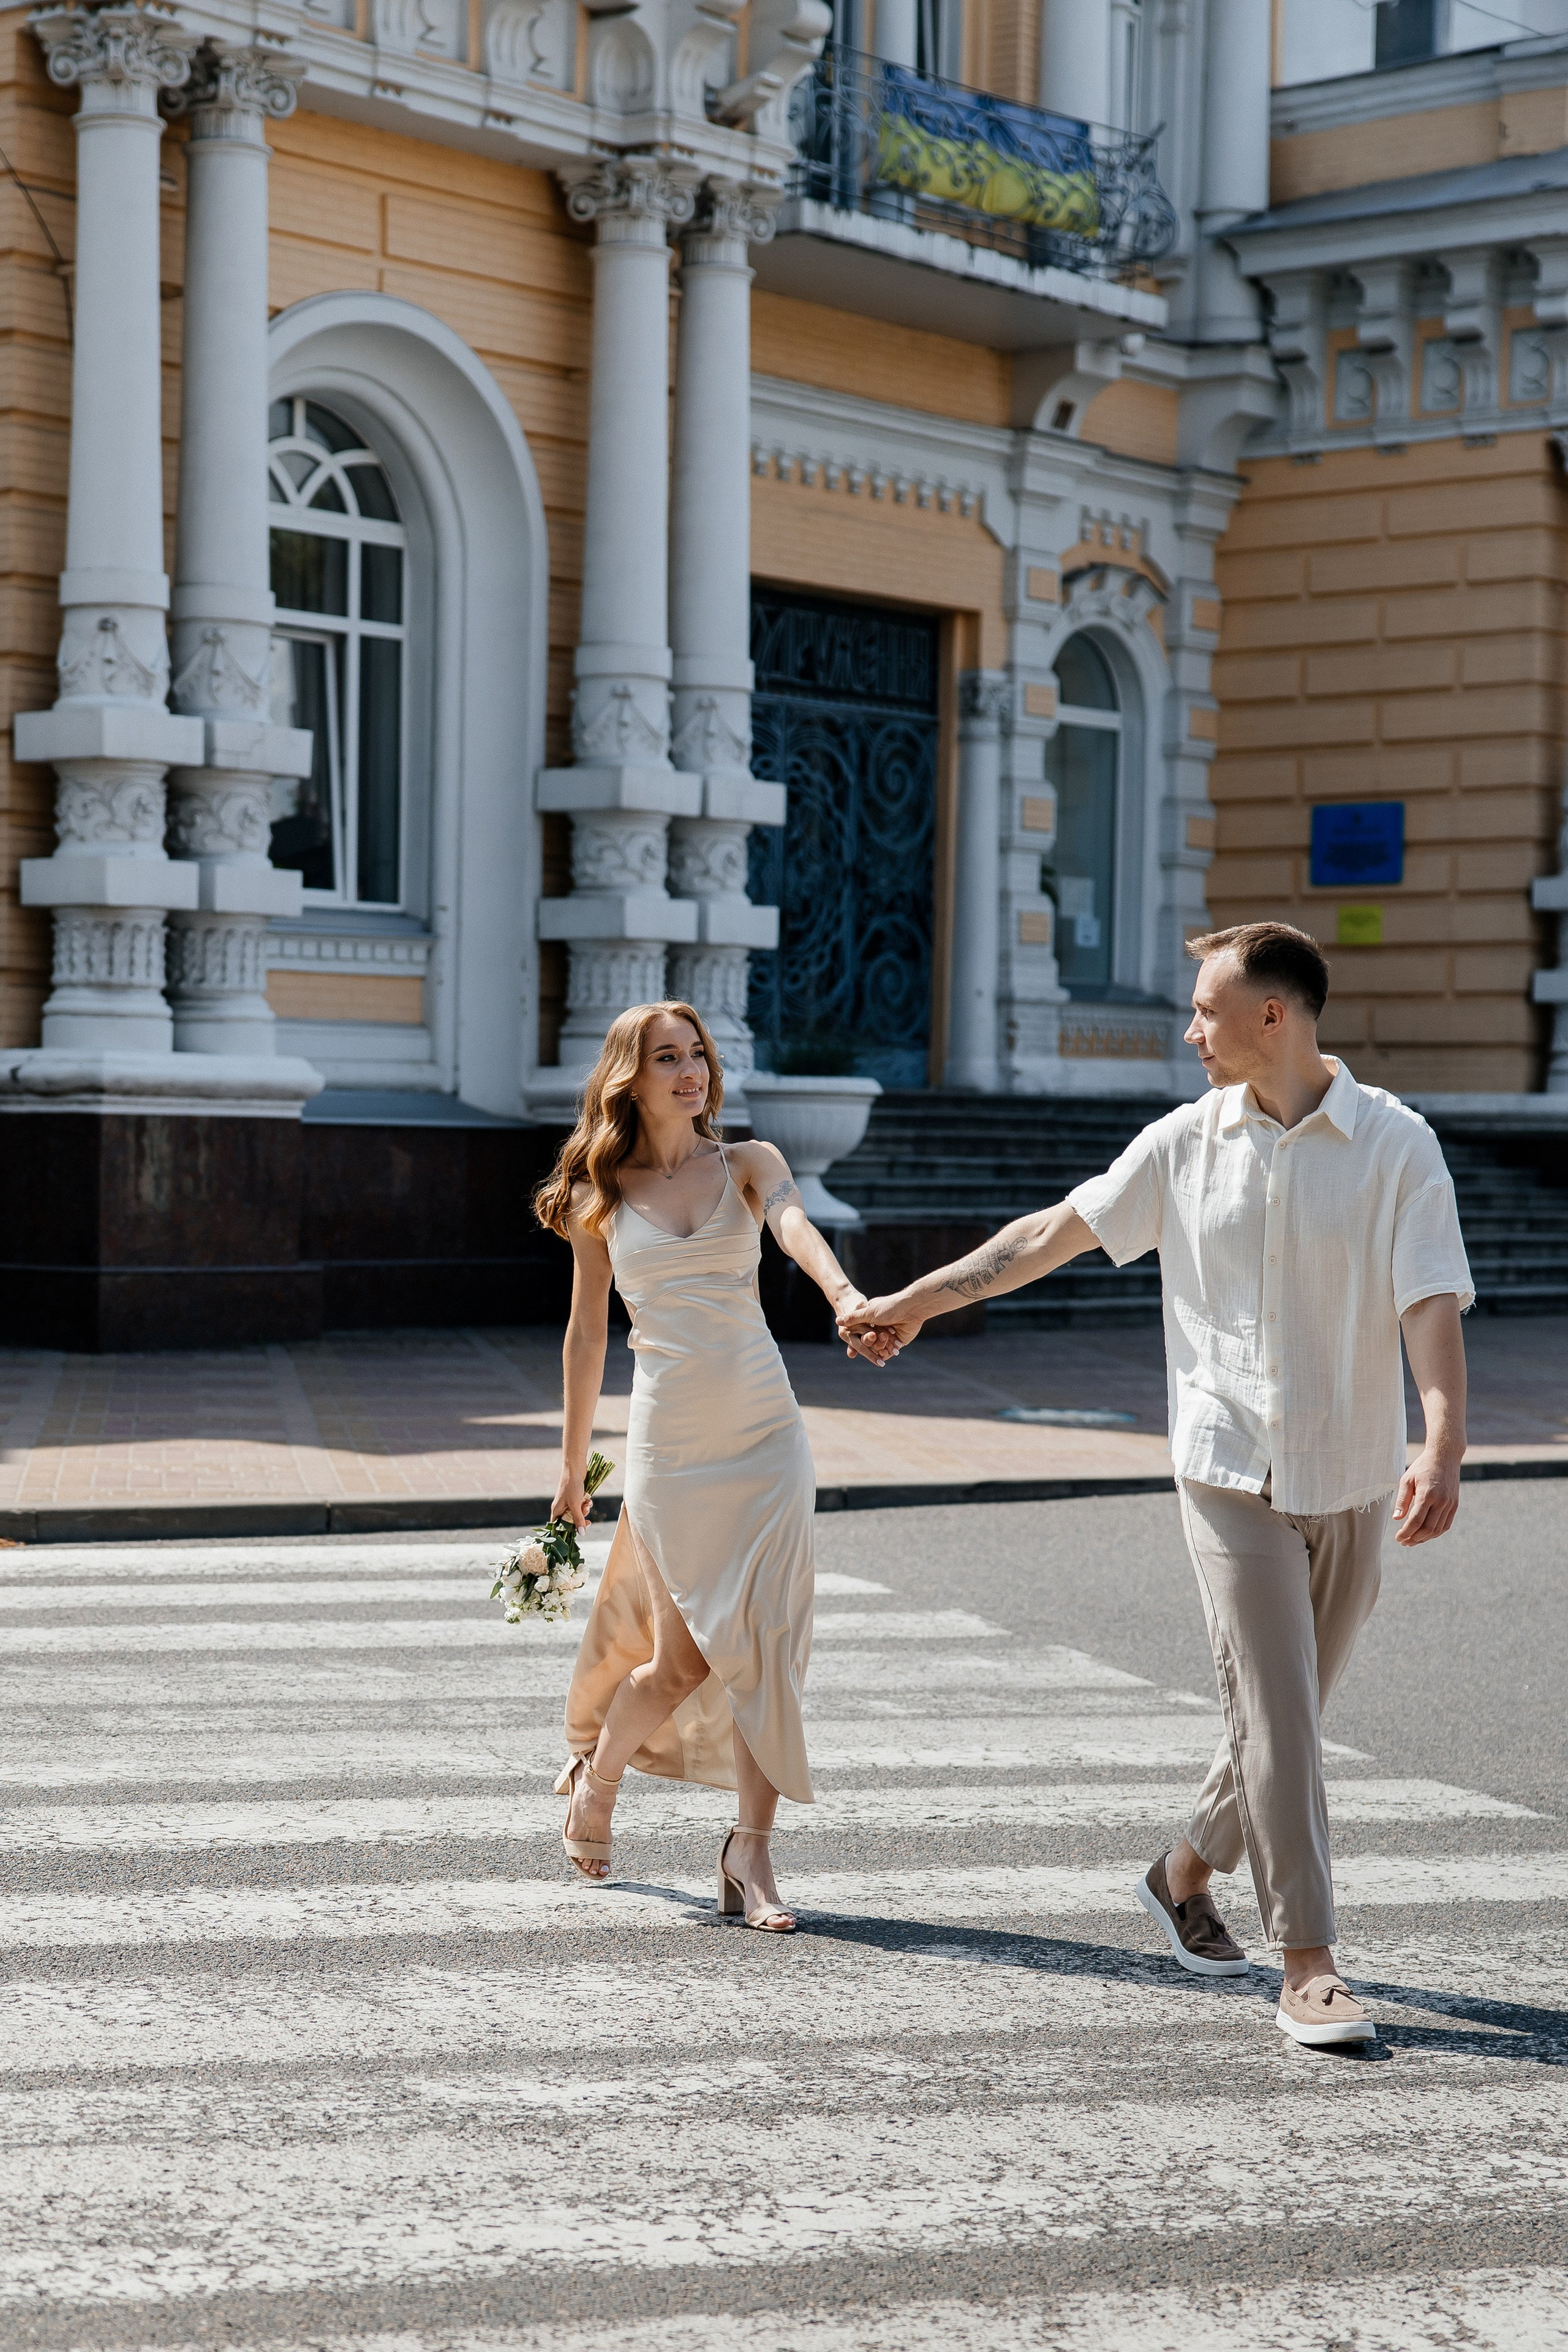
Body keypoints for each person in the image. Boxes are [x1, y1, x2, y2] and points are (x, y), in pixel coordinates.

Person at [839, 922, 1472, 2048]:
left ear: (1272, 1015)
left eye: (1205, 1010)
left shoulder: (1397, 1144)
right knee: (1279, 1714)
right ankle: (1310, 1965)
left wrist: (1443, 1442)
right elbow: (1049, 1235)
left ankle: (1180, 1873)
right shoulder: (1180, 1143)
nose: (1189, 1030)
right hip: (1227, 1466)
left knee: (1287, 1715)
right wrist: (913, 1302)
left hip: (1352, 1468)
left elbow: (1427, 1295)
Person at [535, 999, 886, 1933]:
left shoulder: (749, 1165)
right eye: (666, 1058)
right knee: (680, 1663)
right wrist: (572, 1473)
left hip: (766, 1430)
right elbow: (584, 1338)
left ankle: (752, 1852)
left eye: (698, 1055)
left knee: (768, 1644)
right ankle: (595, 1782)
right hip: (671, 1443)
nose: (690, 1072)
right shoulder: (597, 1196)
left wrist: (845, 1292)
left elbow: (794, 1228)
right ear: (630, 1077)